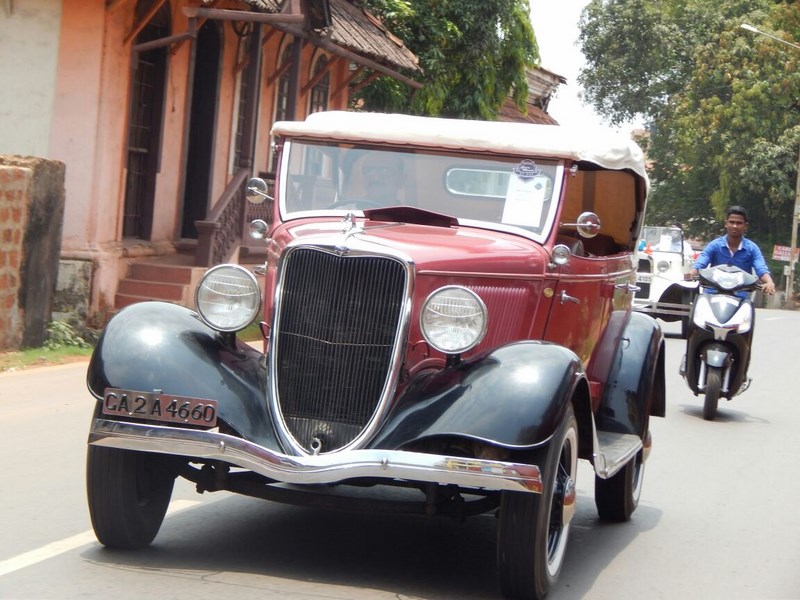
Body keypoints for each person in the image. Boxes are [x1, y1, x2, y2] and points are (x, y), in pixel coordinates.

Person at [686, 205, 776, 295]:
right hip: (712, 294)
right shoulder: (714, 245)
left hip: (740, 297)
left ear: (746, 226)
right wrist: (692, 273)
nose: (735, 226)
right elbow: (701, 262)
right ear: (726, 224)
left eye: (739, 223)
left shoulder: (752, 249)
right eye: (731, 222)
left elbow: (761, 269)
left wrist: (769, 282)